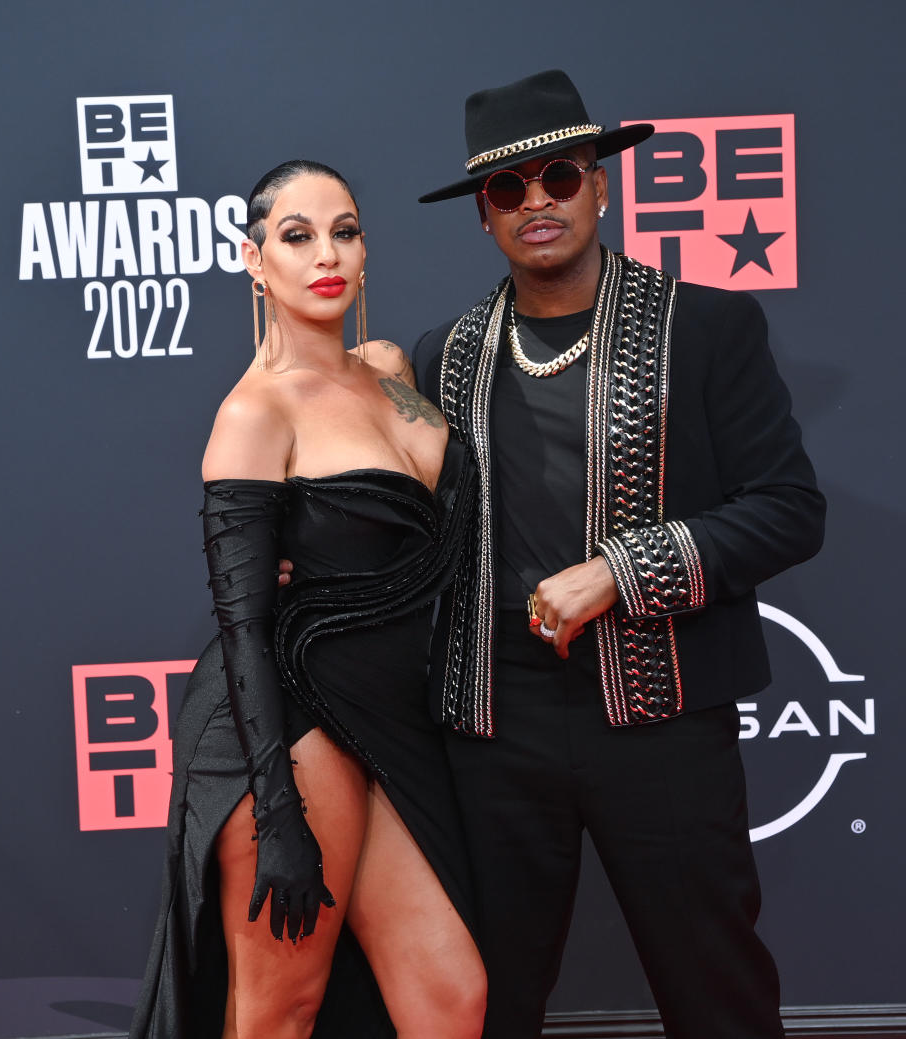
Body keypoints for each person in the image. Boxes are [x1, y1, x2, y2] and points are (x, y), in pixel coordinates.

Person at [413, 70, 826, 1039]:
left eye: (558, 175)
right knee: (483, 998)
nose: (537, 202)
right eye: (508, 190)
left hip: (663, 718)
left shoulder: (708, 326)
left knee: (712, 986)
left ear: (602, 185)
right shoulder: (446, 355)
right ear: (485, 215)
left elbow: (788, 509)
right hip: (492, 728)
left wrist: (622, 570)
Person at [130, 160, 486, 1039]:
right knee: (279, 1009)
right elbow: (243, 623)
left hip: (393, 722)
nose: (326, 253)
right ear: (255, 263)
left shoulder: (390, 369)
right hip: (293, 719)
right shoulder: (255, 413)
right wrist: (276, 808)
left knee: (451, 996)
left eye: (345, 230)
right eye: (296, 236)